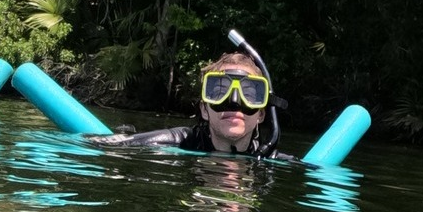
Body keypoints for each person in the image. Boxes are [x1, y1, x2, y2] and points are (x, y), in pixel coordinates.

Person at [93, 51, 291, 160]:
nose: (234, 102)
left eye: (249, 94)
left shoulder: (272, 161)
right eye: (220, 91)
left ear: (262, 114)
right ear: (204, 110)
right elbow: (104, 143)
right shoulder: (179, 142)